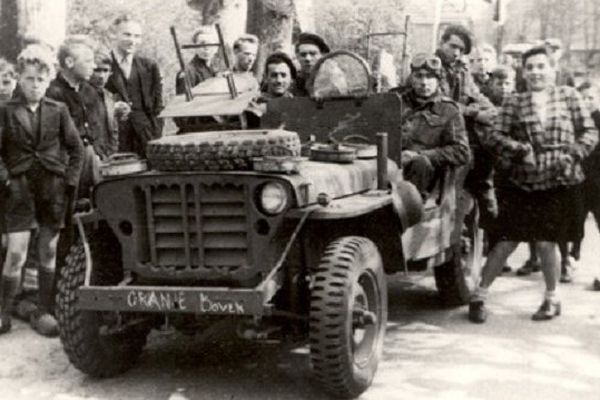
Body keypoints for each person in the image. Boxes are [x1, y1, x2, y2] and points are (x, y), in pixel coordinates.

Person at [469, 46, 597, 323]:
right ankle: (479, 296)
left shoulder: (569, 96)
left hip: (557, 181)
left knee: (546, 243)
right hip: (522, 182)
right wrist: (518, 151)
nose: (536, 72)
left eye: (541, 66)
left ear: (552, 70)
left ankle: (552, 299)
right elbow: (492, 136)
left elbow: (589, 132)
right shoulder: (515, 102)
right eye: (530, 68)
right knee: (505, 242)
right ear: (523, 73)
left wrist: (572, 155)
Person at [0, 45, 84, 336]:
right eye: (28, 78)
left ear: (48, 81)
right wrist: (6, 178)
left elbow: (76, 149)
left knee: (48, 249)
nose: (34, 85)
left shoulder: (58, 110)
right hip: (19, 189)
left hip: (52, 188)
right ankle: (3, 312)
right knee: (16, 253)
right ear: (19, 79)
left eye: (40, 79)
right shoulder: (6, 111)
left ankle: (45, 310)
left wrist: (69, 181)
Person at [435, 25, 498, 228]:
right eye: (453, 46)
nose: (456, 52)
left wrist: (491, 111)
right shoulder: (431, 67)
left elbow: (477, 96)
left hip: (459, 133)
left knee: (484, 170)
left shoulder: (461, 71)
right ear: (441, 42)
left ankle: (482, 232)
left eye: (461, 50)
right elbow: (440, 102)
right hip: (436, 132)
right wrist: (476, 113)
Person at [397, 54, 471, 196]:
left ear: (438, 80)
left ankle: (405, 210)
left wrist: (418, 155)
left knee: (420, 163)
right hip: (391, 167)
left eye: (430, 77)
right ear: (411, 79)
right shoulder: (397, 103)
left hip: (426, 178)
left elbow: (462, 152)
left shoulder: (449, 110)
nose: (424, 82)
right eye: (419, 76)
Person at [46, 35, 107, 200]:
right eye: (88, 61)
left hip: (93, 161)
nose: (93, 66)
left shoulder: (91, 92)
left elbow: (99, 128)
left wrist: (99, 156)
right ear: (69, 63)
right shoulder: (52, 94)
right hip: (66, 164)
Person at [106, 14, 163, 157]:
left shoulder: (149, 66)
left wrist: (155, 135)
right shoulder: (102, 65)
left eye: (137, 36)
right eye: (127, 35)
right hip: (116, 138)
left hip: (146, 137)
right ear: (114, 35)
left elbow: (158, 106)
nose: (133, 41)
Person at [572, 81, 600, 290]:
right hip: (579, 180)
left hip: (598, 182)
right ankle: (572, 257)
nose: (587, 102)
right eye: (584, 98)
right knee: (574, 220)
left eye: (591, 98)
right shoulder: (576, 122)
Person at [89, 49, 131, 156]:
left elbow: (113, 132)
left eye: (105, 70)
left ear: (110, 73)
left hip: (108, 156)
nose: (101, 76)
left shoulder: (109, 97)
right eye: (97, 70)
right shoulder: (79, 95)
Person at [245, 52, 296, 127]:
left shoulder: (297, 106)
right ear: (265, 78)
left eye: (283, 75)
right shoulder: (253, 106)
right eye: (274, 75)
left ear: (291, 79)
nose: (279, 80)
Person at [175, 26, 218, 96]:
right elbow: (183, 103)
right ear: (195, 47)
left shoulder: (217, 69)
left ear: (216, 48)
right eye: (202, 44)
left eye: (210, 44)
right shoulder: (187, 72)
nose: (206, 48)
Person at [293, 32, 330, 97]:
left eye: (313, 54)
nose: (308, 59)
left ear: (322, 56)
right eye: (303, 55)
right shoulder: (293, 82)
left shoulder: (331, 80)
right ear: (297, 57)